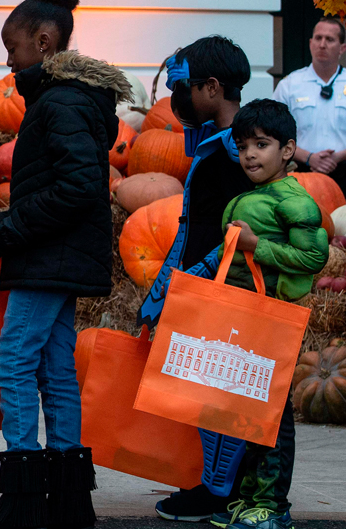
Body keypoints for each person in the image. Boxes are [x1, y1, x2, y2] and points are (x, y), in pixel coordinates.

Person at [0, 0, 131, 529]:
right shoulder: (73, 100)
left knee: (14, 362)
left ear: (44, 42)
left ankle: (22, 498)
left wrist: (3, 233)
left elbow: (80, 187)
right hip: (62, 256)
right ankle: (68, 499)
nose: (8, 62)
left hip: (48, 256)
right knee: (56, 369)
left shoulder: (59, 104)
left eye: (11, 48)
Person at [188, 100, 328, 529]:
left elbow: (313, 255)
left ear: (287, 150)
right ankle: (249, 495)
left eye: (262, 145)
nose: (250, 154)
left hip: (272, 318)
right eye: (243, 145)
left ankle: (273, 504)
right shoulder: (252, 196)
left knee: (270, 415)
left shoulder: (293, 198)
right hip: (242, 318)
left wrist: (256, 247)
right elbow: (227, 249)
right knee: (244, 412)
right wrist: (190, 277)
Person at [135, 37, 256, 522]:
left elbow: (223, 237)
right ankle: (216, 484)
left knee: (219, 396)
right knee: (204, 395)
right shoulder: (214, 153)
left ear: (210, 88)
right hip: (201, 289)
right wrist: (162, 289)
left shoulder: (238, 157)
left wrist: (181, 284)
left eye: (180, 88)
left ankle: (220, 489)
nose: (174, 99)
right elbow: (189, 229)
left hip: (224, 294)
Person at [272, 18, 346, 201]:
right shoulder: (289, 85)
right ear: (310, 43)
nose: (322, 44)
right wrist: (309, 157)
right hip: (298, 176)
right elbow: (273, 134)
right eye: (318, 38)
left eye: (329, 39)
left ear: (342, 48)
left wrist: (338, 156)